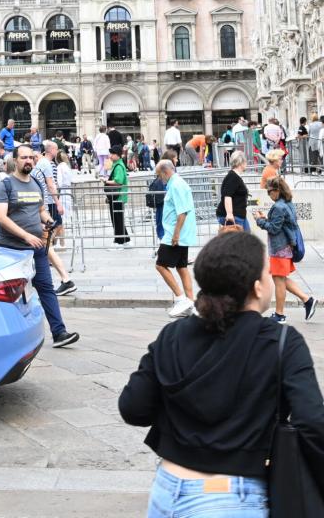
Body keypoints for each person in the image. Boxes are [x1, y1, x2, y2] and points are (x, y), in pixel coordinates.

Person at [119, 231, 324, 516]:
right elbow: (313, 422)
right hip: (232, 498)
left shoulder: (173, 334)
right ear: (258, 287)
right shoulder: (282, 343)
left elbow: (133, 408)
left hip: (166, 491)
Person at [0, 145, 79, 347]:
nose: (28, 161)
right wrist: (25, 236)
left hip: (38, 247)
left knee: (46, 289)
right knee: (11, 295)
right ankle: (6, 338)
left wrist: (49, 220)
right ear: (15, 160)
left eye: (31, 157)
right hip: (12, 249)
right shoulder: (6, 185)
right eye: (24, 157)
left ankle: (59, 333)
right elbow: (1, 218)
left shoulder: (36, 184)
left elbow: (40, 209)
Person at [254, 176, 317, 323]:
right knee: (280, 278)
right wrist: (266, 219)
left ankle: (280, 314)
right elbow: (280, 225)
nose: (268, 195)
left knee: (279, 281)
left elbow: (274, 229)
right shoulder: (287, 203)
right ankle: (307, 300)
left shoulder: (278, 207)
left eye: (269, 192)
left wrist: (259, 220)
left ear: (277, 190)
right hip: (285, 247)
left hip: (279, 248)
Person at [153, 160, 198, 318]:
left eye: (159, 175)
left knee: (160, 265)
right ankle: (190, 302)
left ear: (165, 172)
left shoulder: (176, 185)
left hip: (175, 233)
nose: (160, 179)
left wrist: (176, 235)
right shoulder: (177, 183)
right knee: (181, 266)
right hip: (178, 233)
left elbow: (182, 212)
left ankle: (181, 299)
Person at [34, 141, 76, 296]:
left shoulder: (44, 164)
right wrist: (57, 202)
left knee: (47, 244)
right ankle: (63, 279)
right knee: (47, 245)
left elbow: (50, 185)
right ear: (51, 150)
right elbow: (50, 185)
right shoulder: (46, 164)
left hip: (45, 205)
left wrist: (57, 203)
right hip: (46, 203)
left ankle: (64, 279)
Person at [102, 146, 131, 247]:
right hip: (117, 196)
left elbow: (118, 182)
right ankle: (126, 240)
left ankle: (119, 242)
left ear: (117, 155)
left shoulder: (118, 166)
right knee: (118, 219)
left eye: (112, 154)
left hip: (118, 197)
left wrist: (106, 181)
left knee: (117, 219)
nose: (110, 156)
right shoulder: (117, 164)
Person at [217, 151, 251, 232]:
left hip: (238, 214)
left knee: (246, 239)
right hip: (234, 215)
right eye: (245, 161)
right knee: (240, 242)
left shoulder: (234, 176)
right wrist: (229, 213)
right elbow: (227, 196)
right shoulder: (233, 177)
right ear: (241, 162)